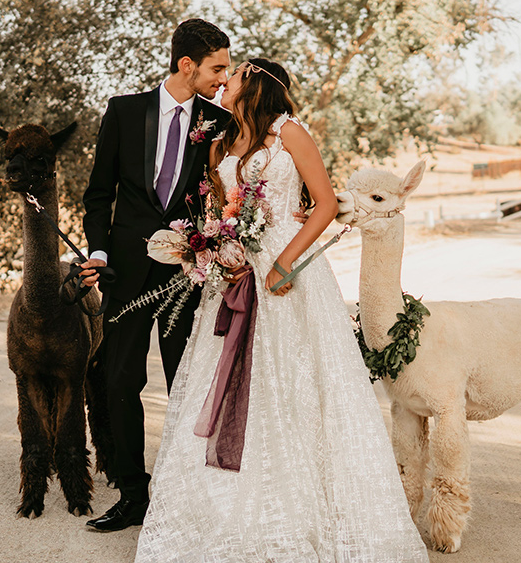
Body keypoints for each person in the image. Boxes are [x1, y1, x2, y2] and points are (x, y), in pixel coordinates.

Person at [134, 58, 428, 561]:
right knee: (224, 382)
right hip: (235, 270)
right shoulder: (223, 142)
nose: (224, 81)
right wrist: (214, 249)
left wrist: (286, 263)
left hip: (286, 272)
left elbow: (324, 203)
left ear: (258, 84)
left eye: (235, 74)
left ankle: (307, 509)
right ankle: (220, 509)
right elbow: (220, 208)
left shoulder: (290, 132)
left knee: (295, 383)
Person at [79, 19, 232, 532]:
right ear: (186, 65)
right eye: (217, 68)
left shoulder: (217, 121)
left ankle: (182, 490)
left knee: (184, 381)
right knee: (121, 378)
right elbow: (99, 194)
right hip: (122, 270)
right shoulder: (124, 111)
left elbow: (222, 196)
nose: (223, 78)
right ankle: (131, 492)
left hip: (185, 275)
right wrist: (98, 252)